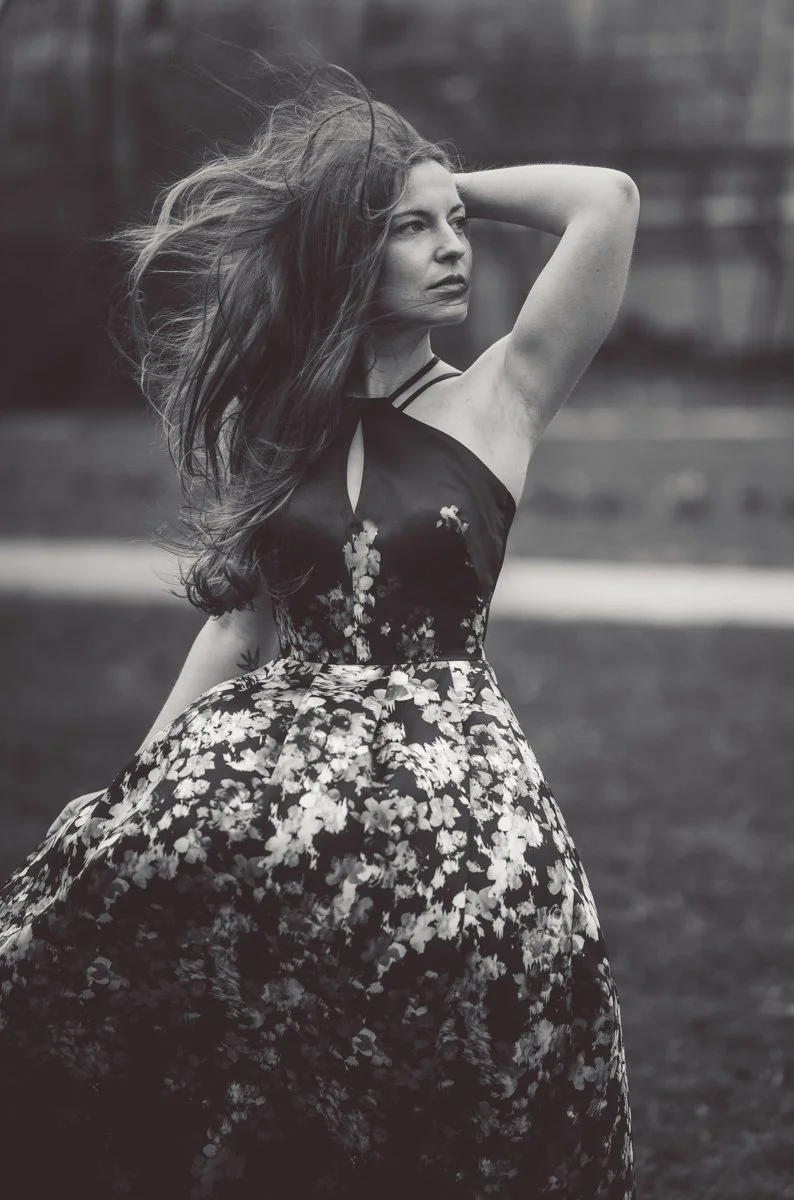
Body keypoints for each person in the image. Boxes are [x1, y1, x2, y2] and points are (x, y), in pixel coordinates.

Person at [0, 62, 640, 1200]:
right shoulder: (281, 426)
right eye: (413, 231)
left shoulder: (502, 395)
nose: (453, 248)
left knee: (469, 1067)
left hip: (452, 801)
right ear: (349, 255)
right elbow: (240, 632)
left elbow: (607, 201)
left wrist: (442, 184)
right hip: (277, 790)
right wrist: (134, 785)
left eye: (458, 228)